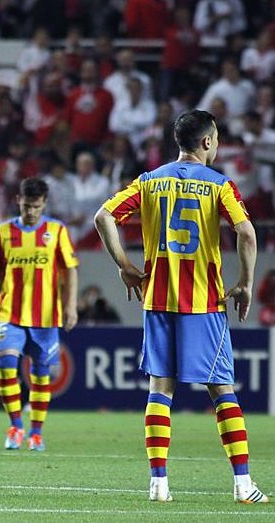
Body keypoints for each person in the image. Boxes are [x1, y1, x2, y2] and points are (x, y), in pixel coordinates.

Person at [94, 109, 269, 503]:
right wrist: (244, 283)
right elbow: (246, 233)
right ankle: (243, 485)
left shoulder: (149, 181)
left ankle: (159, 484)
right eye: (217, 138)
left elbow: (103, 217)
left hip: (157, 299)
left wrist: (125, 266)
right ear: (207, 141)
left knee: (160, 390)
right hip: (203, 302)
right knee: (222, 390)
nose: (217, 144)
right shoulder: (220, 185)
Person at [0, 177, 79, 452]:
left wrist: (70, 306)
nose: (31, 211)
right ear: (18, 201)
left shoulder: (57, 231)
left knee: (41, 376)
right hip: (9, 313)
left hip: (45, 316)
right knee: (6, 368)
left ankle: (36, 432)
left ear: (44, 203)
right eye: (27, 206)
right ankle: (15, 427)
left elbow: (70, 270)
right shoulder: (3, 232)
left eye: (36, 206)